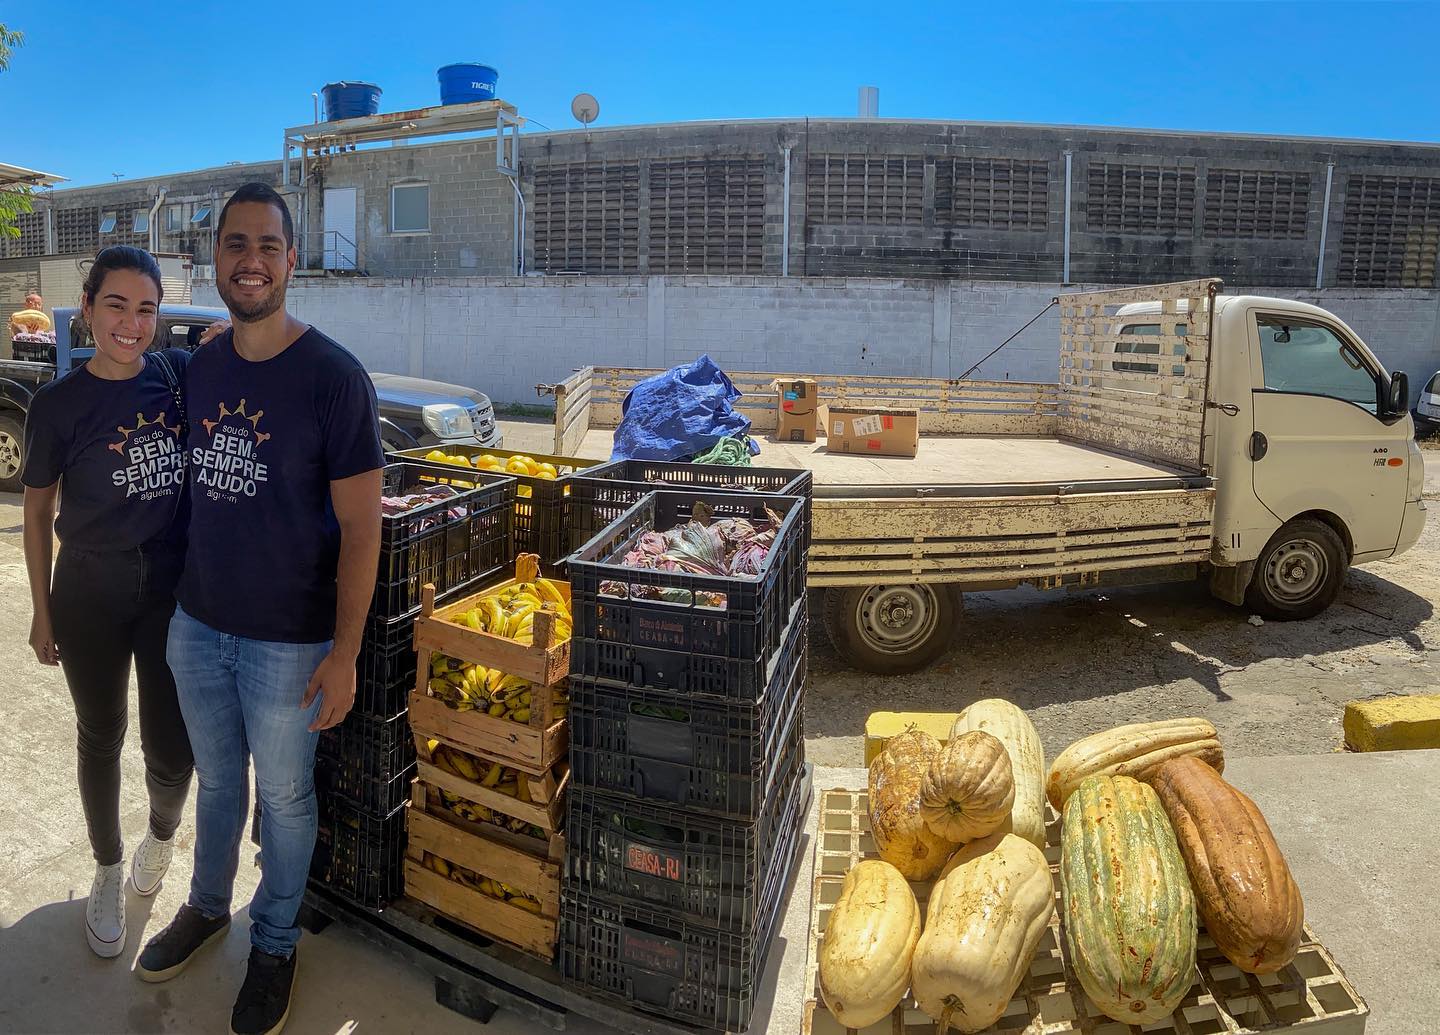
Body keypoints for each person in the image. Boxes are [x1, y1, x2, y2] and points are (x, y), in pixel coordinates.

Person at [137, 182, 383, 1035]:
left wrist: (344, 652)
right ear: (215, 257)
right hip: (197, 625)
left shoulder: (336, 379)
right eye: (235, 244)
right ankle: (208, 906)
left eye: (267, 246)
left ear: (290, 258)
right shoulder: (202, 365)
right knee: (216, 786)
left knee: (283, 797)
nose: (250, 260)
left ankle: (273, 941)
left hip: (290, 641)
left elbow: (362, 531)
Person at [21, 248, 194, 959]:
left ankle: (159, 836)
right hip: (88, 588)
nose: (132, 323)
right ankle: (107, 865)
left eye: (146, 308)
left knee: (171, 744)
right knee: (101, 733)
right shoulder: (58, 404)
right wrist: (40, 607)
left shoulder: (174, 376)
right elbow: (35, 512)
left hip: (168, 585)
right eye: (116, 305)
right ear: (87, 308)